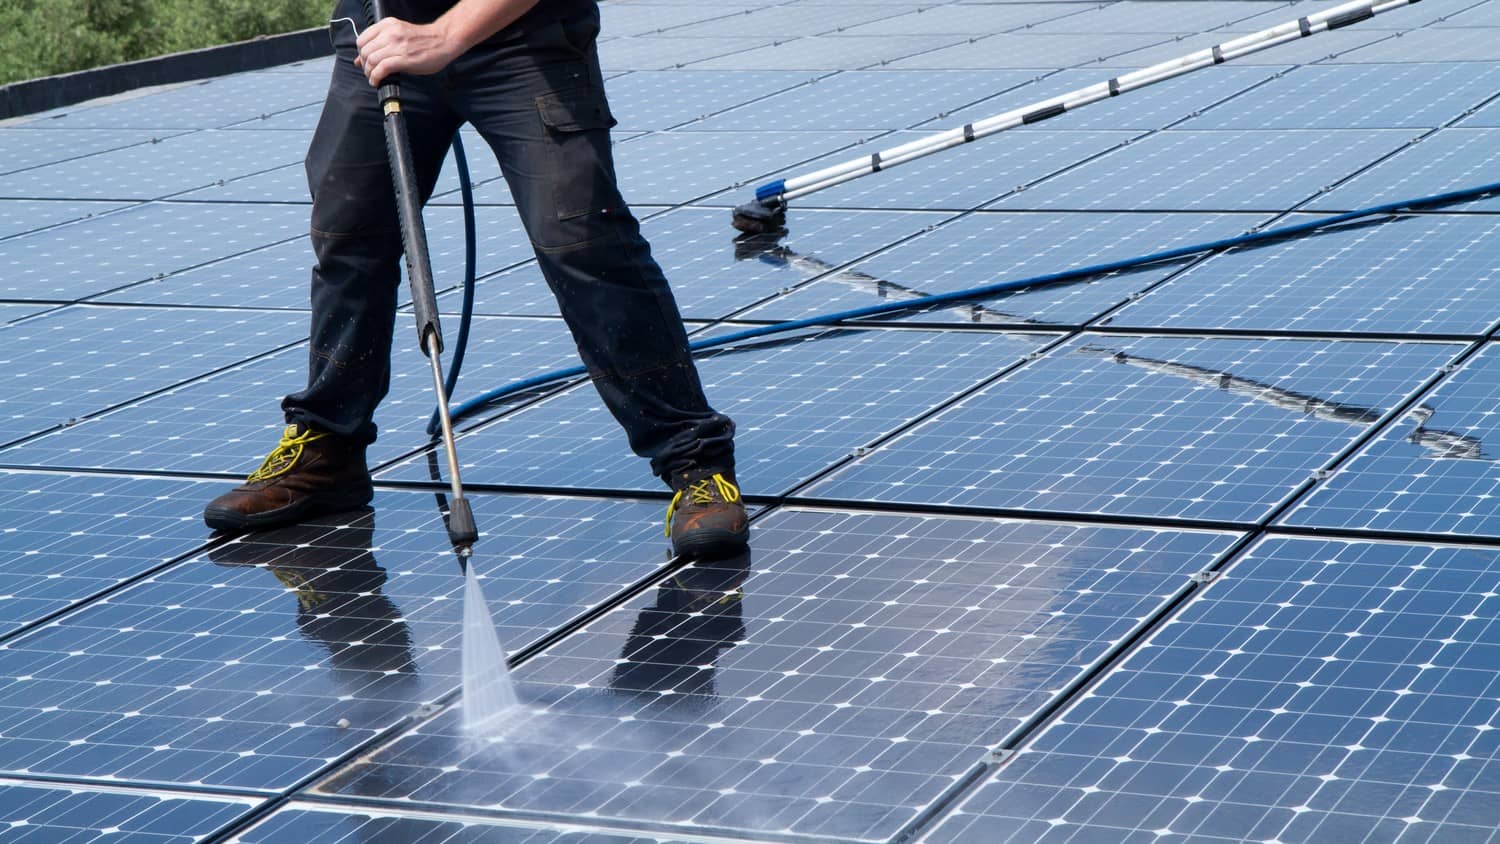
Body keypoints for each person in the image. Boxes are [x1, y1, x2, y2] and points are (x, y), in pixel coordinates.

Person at [203, 0, 748, 559]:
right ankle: (327, 450)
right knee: (349, 232)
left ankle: (695, 463)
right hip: (383, 26)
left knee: (583, 241)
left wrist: (445, 33)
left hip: (524, 37)